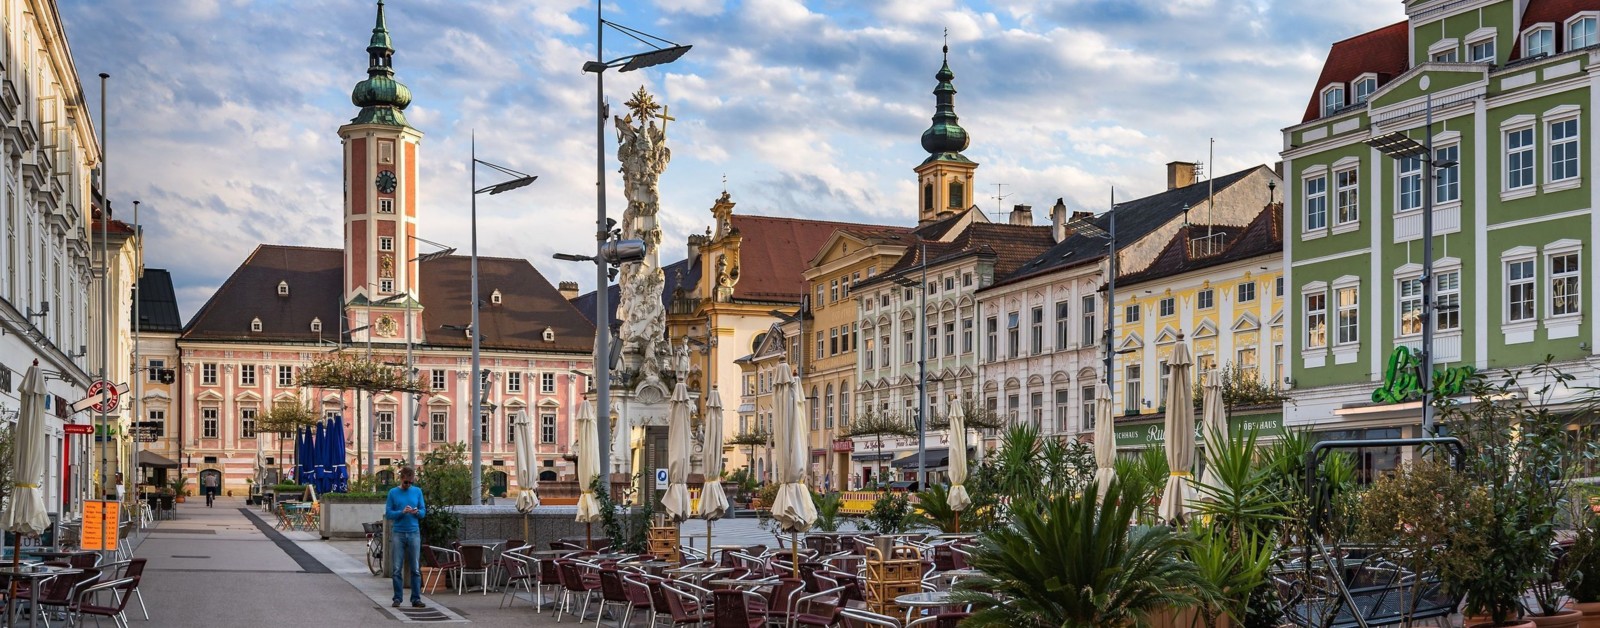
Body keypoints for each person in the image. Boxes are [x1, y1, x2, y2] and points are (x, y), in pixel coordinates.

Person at [385, 467, 426, 609]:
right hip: (398, 532)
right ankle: (397, 598)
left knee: (415, 568)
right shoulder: (393, 493)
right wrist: (401, 512)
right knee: (396, 568)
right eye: (405, 482)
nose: (408, 484)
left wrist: (416, 512)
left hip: (414, 532)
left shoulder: (417, 491)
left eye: (410, 482)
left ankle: (416, 598)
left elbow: (423, 512)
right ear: (401, 479)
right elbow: (389, 513)